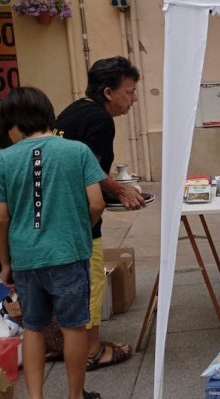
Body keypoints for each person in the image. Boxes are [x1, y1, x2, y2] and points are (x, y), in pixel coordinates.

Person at [0, 87, 105, 399]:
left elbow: (2, 217)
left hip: (25, 256)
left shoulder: (4, 159)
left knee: (34, 327)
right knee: (74, 327)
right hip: (68, 253)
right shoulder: (77, 151)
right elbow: (97, 203)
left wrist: (5, 262)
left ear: (14, 123)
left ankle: (35, 397)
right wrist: (80, 229)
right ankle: (75, 395)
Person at [55, 56, 142, 371]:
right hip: (76, 215)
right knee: (92, 281)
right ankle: (92, 352)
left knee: (68, 283)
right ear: (108, 92)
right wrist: (120, 190)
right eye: (129, 92)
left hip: (54, 210)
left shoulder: (76, 109)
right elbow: (88, 168)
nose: (133, 100)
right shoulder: (100, 120)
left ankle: (70, 343)